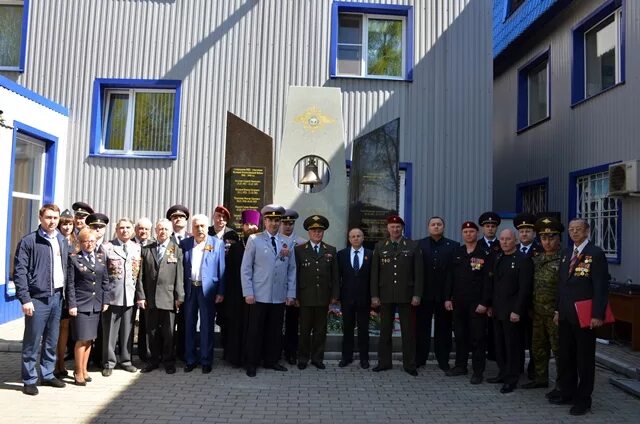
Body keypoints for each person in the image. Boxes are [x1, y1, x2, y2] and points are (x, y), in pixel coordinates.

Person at [549, 218, 609, 416]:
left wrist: (597, 315)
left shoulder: (596, 254)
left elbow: (600, 287)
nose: (574, 232)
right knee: (566, 357)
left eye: (578, 229)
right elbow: (561, 284)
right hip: (566, 315)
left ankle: (583, 399)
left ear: (587, 231)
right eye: (571, 229)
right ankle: (567, 391)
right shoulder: (567, 253)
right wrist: (558, 310)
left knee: (584, 360)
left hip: (585, 317)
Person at [14, 204, 69, 395]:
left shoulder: (61, 240)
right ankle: (29, 379)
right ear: (40, 217)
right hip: (37, 299)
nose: (52, 221)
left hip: (57, 297)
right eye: (48, 217)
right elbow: (20, 272)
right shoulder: (29, 241)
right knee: (32, 341)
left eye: (55, 218)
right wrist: (25, 299)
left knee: (51, 340)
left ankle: (47, 374)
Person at [241, 204, 296, 377]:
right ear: (264, 221)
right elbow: (246, 268)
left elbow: (292, 270)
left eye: (277, 220)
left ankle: (272, 360)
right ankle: (252, 362)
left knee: (275, 331)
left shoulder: (286, 242)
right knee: (255, 331)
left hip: (278, 295)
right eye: (271, 220)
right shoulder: (254, 240)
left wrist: (290, 293)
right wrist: (248, 292)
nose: (274, 223)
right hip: (259, 294)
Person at [371, 215, 424, 376]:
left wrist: (417, 295)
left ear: (402, 228)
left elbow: (419, 273)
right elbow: (375, 273)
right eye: (392, 227)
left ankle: (409, 364)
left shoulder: (413, 246)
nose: (395, 229)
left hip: (406, 295)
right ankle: (384, 362)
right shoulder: (380, 246)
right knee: (385, 330)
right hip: (385, 294)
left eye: (398, 227)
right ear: (388, 229)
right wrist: (374, 295)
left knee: (408, 332)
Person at [444, 221, 491, 384]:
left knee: (477, 338)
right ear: (462, 234)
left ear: (477, 233)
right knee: (460, 335)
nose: (468, 234)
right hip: (459, 302)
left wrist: (485, 302)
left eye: (471, 231)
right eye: (465, 232)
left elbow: (488, 281)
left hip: (476, 303)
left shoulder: (484, 253)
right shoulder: (457, 252)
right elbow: (450, 277)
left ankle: (478, 371)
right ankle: (460, 366)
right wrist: (447, 298)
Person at [488, 228, 533, 394]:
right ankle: (502, 373)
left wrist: (517, 310)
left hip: (512, 312)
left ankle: (512, 378)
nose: (505, 242)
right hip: (498, 310)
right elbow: (495, 285)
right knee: (499, 346)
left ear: (515, 241)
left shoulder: (523, 260)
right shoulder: (499, 257)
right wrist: (491, 306)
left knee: (512, 346)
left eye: (508, 239)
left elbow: (524, 289)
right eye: (502, 239)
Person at [136, 218, 184, 374]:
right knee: (152, 332)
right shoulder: (147, 249)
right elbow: (140, 276)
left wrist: (179, 297)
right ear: (156, 231)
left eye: (166, 229)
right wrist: (141, 296)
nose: (163, 232)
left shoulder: (176, 249)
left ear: (171, 232)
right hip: (150, 299)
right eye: (160, 229)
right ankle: (153, 361)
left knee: (169, 333)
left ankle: (169, 362)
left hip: (169, 298)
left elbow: (179, 276)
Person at [522, 217, 563, 391]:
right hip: (537, 313)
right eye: (544, 238)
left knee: (560, 351)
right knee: (538, 348)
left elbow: (566, 289)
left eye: (551, 237)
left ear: (559, 238)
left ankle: (562, 385)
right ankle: (541, 379)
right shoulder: (536, 259)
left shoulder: (565, 259)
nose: (547, 242)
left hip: (555, 314)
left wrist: (560, 310)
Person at [181, 214, 225, 374]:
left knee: (207, 326)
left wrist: (221, 291)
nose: (199, 229)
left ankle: (206, 360)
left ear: (208, 227)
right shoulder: (184, 244)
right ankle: (190, 359)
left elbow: (222, 269)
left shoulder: (217, 244)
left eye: (202, 226)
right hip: (190, 290)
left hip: (208, 291)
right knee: (189, 325)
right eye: (196, 226)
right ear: (191, 228)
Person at [66, 228, 110, 386]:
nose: (89, 244)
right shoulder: (74, 259)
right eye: (86, 241)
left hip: (96, 304)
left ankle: (84, 370)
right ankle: (77, 371)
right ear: (80, 242)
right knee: (81, 339)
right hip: (80, 304)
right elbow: (70, 284)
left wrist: (105, 300)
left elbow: (105, 281)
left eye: (92, 241)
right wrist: (72, 304)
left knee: (90, 339)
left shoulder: (100, 258)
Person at [295, 215, 339, 370]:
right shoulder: (299, 250)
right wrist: (296, 296)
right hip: (305, 297)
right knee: (305, 330)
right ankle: (302, 358)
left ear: (323, 232)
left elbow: (335, 276)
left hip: (323, 297)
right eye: (314, 230)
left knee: (320, 331)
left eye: (320, 231)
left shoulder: (331, 250)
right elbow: (296, 275)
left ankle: (317, 358)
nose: (317, 233)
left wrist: (334, 296)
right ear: (308, 232)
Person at [416, 216, 458, 370]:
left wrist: (450, 295)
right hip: (424, 294)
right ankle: (420, 359)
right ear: (428, 227)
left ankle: (443, 360)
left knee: (444, 329)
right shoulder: (419, 245)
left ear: (443, 227)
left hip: (444, 295)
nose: (436, 227)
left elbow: (453, 273)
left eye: (439, 224)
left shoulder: (453, 246)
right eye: (433, 224)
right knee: (422, 328)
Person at [101, 218, 142, 376]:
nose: (125, 230)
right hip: (112, 296)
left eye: (128, 227)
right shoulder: (107, 247)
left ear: (132, 230)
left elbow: (138, 275)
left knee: (128, 331)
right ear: (116, 230)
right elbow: (102, 275)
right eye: (121, 228)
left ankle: (126, 360)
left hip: (130, 296)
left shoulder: (137, 248)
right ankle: (109, 362)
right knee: (110, 331)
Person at [223, 210, 261, 367]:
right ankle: (236, 358)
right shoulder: (236, 248)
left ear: (258, 226)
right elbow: (230, 273)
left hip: (258, 294)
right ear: (242, 226)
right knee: (237, 326)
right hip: (237, 295)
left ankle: (252, 358)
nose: (250, 227)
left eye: (253, 224)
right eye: (247, 224)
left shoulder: (262, 245)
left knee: (253, 328)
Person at [337, 227, 372, 369]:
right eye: (353, 236)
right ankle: (347, 357)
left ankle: (364, 358)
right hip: (347, 298)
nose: (356, 238)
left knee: (364, 329)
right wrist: (337, 296)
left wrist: (374, 296)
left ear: (363, 238)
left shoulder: (371, 254)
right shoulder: (342, 255)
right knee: (348, 328)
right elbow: (337, 277)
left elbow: (374, 278)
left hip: (365, 298)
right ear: (349, 239)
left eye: (359, 236)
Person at [514, 212, 542, 379]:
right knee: (516, 338)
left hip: (534, 304)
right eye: (521, 231)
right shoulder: (513, 250)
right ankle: (517, 368)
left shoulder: (540, 251)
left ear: (534, 233)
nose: (524, 234)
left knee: (535, 340)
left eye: (528, 231)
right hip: (516, 303)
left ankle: (534, 370)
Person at [280, 208, 306, 365]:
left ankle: (291, 352)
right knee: (275, 323)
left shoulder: (302, 243)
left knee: (291, 323)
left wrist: (296, 294)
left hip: (293, 289)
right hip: (276, 289)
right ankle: (275, 350)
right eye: (285, 223)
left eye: (290, 223)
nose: (288, 226)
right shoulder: (274, 240)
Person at [85, 212, 110, 368]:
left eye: (101, 227)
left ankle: (100, 359)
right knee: (87, 329)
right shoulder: (85, 244)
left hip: (104, 294)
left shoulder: (109, 247)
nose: (98, 229)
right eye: (94, 226)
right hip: (87, 294)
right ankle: (85, 361)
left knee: (102, 328)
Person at [54, 208, 76, 379]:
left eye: (70, 224)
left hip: (71, 292)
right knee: (55, 329)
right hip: (57, 291)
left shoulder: (75, 241)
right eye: (64, 223)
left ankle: (62, 362)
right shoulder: (56, 240)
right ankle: (56, 364)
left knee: (65, 328)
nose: (67, 227)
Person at [166, 204, 190, 359]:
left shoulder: (192, 238)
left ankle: (183, 353)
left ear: (186, 220)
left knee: (185, 322)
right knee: (168, 324)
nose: (178, 219)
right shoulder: (165, 238)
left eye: (181, 217)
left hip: (189, 287)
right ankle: (168, 353)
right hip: (169, 289)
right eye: (174, 217)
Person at [478, 211, 502, 362]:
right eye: (487, 226)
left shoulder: (502, 245)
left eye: (493, 226)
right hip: (478, 293)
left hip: (496, 294)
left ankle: (494, 357)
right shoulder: (476, 245)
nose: (490, 228)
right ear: (482, 228)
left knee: (495, 331)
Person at [133, 216, 154, 362]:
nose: (143, 231)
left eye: (146, 229)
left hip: (145, 291)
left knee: (145, 324)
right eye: (141, 228)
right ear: (136, 230)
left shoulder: (153, 245)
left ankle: (145, 354)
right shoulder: (128, 243)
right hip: (128, 290)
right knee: (127, 324)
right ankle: (125, 355)